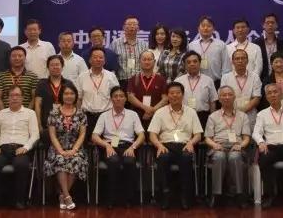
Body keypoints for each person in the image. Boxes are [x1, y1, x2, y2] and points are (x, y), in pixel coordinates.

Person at [0, 85, 40, 210]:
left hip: (21, 149)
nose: (14, 98)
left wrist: (26, 147)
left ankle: (20, 200)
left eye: (17, 95)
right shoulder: (1, 114)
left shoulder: (30, 113)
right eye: (12, 95)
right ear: (7, 98)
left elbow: (35, 135)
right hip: (2, 149)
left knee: (21, 165)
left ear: (22, 98)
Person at [148, 82, 203, 210]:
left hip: (184, 145)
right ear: (167, 96)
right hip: (165, 145)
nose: (175, 95)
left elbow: (198, 134)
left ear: (183, 95)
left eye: (178, 93)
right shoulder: (160, 112)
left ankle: (185, 196)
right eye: (171, 93)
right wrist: (159, 145)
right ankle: (165, 195)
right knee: (163, 158)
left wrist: (191, 143)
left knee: (186, 158)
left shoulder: (191, 112)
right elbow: (152, 134)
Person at [91, 86, 146, 208]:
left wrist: (133, 147)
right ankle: (111, 198)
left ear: (125, 99)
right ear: (111, 99)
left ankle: (129, 198)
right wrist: (106, 145)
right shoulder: (104, 116)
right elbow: (94, 136)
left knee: (129, 161)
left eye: (121, 96)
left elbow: (142, 135)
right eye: (115, 96)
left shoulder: (133, 114)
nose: (118, 98)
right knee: (113, 161)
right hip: (109, 145)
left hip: (128, 146)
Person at [204, 85, 251, 209]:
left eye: (230, 94)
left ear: (234, 97)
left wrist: (240, 145)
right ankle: (216, 194)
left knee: (234, 157)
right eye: (223, 95)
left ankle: (239, 194)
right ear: (219, 99)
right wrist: (214, 145)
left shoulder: (243, 116)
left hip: (236, 147)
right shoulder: (213, 116)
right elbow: (207, 138)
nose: (227, 97)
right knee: (219, 157)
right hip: (218, 146)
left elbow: (246, 138)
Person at [44, 82, 88, 211]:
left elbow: (82, 134)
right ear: (61, 96)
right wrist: (61, 151)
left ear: (76, 96)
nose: (69, 96)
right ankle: (68, 196)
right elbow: (52, 135)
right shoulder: (53, 113)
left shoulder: (81, 114)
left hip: (75, 147)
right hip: (57, 147)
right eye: (66, 93)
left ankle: (62, 195)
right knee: (60, 159)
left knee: (76, 160)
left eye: (72, 93)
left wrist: (74, 150)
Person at [76, 47, 120, 138]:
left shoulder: (111, 76)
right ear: (90, 60)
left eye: (101, 57)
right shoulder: (82, 77)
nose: (98, 59)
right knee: (86, 142)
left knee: (106, 143)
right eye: (95, 57)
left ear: (104, 60)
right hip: (87, 117)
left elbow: (117, 97)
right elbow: (78, 98)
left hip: (107, 116)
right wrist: (79, 115)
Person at [220, 49, 262, 128]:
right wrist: (234, 112)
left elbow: (256, 98)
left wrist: (241, 112)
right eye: (237, 59)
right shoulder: (225, 77)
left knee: (249, 135)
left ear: (247, 61)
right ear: (232, 61)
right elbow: (224, 97)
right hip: (231, 115)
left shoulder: (255, 77)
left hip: (250, 116)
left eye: (243, 58)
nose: (240, 61)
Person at [175, 51, 218, 127]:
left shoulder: (208, 80)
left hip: (203, 117)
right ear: (185, 65)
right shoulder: (178, 81)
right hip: (183, 116)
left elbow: (212, 102)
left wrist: (212, 121)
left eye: (195, 61)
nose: (192, 64)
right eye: (188, 62)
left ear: (200, 63)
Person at [127, 50, 168, 127]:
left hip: (156, 116)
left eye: (149, 59)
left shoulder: (161, 79)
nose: (147, 62)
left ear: (154, 61)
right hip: (137, 116)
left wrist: (152, 110)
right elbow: (130, 97)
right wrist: (146, 108)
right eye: (144, 59)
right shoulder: (133, 79)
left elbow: (165, 99)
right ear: (139, 61)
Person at [35, 55, 72, 135]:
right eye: (52, 65)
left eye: (57, 64)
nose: (55, 67)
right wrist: (39, 124)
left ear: (62, 66)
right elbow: (38, 105)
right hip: (46, 124)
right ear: (48, 67)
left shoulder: (68, 84)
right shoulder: (42, 84)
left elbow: (73, 104)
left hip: (66, 124)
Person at [0, 46, 38, 111]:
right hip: (5, 114)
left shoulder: (33, 77)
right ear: (9, 58)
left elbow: (34, 98)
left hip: (26, 114)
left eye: (20, 56)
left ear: (25, 58)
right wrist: (4, 113)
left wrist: (27, 113)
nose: (17, 58)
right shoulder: (1, 76)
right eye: (14, 56)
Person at [187, 15, 229, 84]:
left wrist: (224, 83)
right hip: (195, 82)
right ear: (198, 29)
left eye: (209, 26)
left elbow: (226, 67)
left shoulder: (221, 44)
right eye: (203, 26)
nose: (205, 28)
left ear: (213, 29)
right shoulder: (191, 45)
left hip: (216, 82)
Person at [110, 16, 149, 88]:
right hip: (121, 81)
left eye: (134, 24)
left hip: (140, 81)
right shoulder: (115, 44)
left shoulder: (144, 45)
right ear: (123, 27)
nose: (132, 26)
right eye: (129, 24)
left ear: (138, 28)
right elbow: (111, 63)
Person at [252, 13, 283, 83]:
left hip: (279, 80)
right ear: (263, 25)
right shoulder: (256, 44)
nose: (270, 25)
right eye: (267, 23)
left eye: (272, 22)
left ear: (276, 25)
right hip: (261, 80)